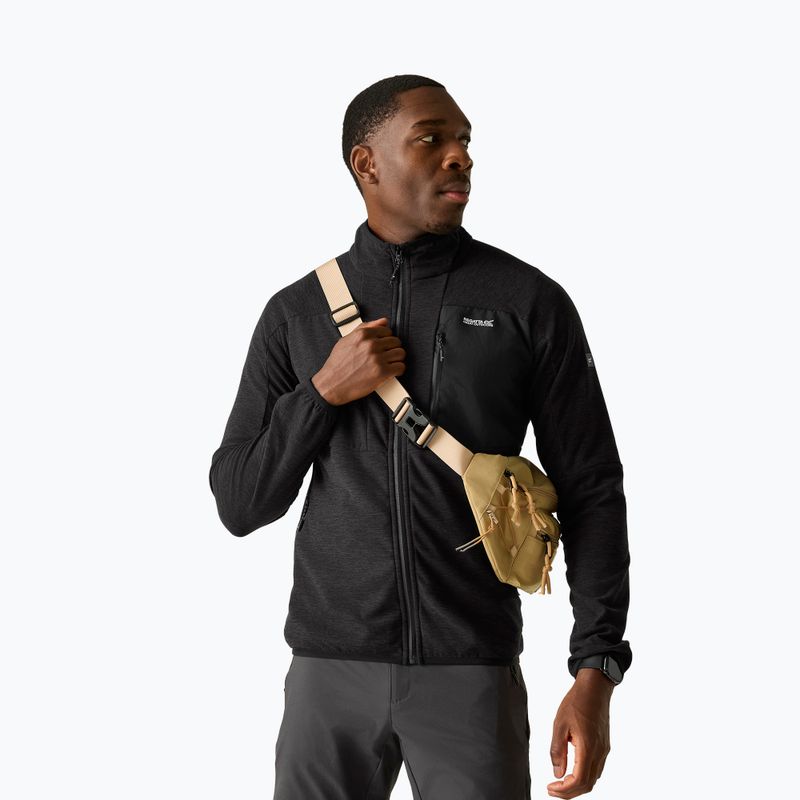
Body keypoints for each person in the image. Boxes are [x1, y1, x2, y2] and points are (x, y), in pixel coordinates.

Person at [209, 74, 632, 800]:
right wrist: (322, 393)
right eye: (431, 139)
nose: (459, 156)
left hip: (471, 670)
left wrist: (596, 668)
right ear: (366, 164)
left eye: (464, 141)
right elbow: (240, 502)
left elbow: (592, 489)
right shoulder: (296, 314)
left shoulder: (527, 302)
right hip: (328, 673)